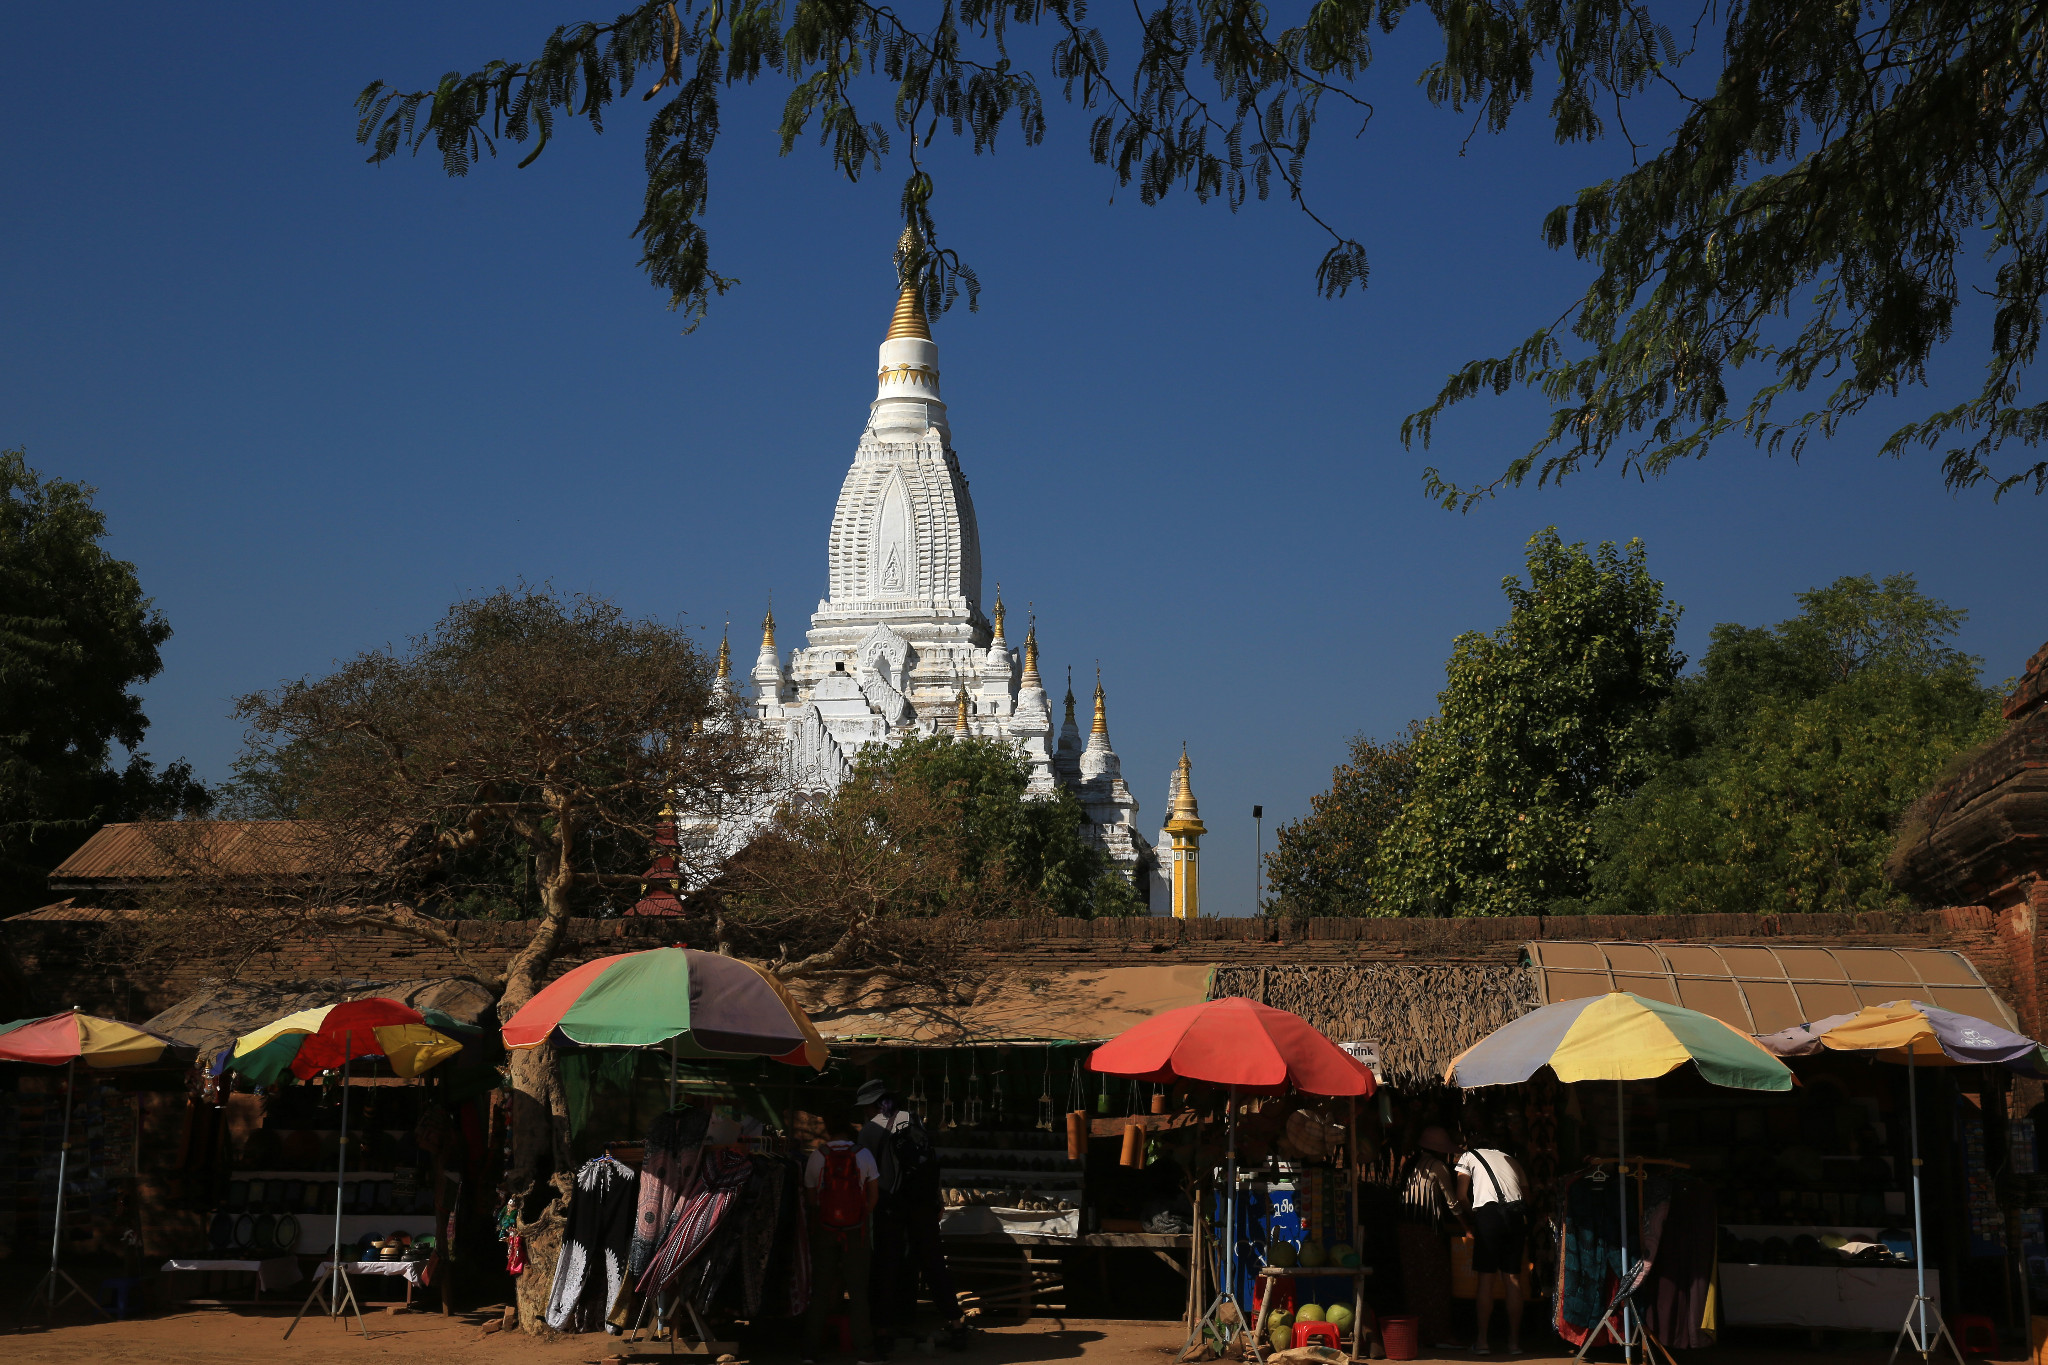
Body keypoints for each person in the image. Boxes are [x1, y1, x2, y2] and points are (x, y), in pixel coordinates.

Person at [857, 1078, 966, 1355]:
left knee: (886, 1267)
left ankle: (882, 1332)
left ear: (872, 1105)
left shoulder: (870, 1131)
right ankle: (955, 1326)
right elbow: (931, 1163)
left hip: (890, 1207)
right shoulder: (914, 1122)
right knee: (932, 1264)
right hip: (923, 1207)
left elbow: (864, 1173)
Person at [804, 1115, 883, 1365]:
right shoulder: (865, 1155)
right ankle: (865, 1353)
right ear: (851, 1133)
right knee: (859, 1291)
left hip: (826, 1229)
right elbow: (873, 1197)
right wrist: (858, 1216)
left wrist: (829, 1216)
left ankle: (810, 1352)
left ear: (830, 1133)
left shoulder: (818, 1155)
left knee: (821, 1290)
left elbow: (811, 1198)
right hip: (856, 1231)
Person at [1454, 1134, 1531, 1356]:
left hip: (1488, 1214)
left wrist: (1474, 1216)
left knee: (1486, 1280)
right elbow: (1528, 1196)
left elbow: (1461, 1195)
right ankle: (1514, 1344)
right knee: (1513, 1278)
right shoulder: (1511, 1159)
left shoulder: (1468, 1156)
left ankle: (1482, 1342)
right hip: (1515, 1216)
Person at [1398, 1125, 1470, 1351]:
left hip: (1405, 1230)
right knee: (1436, 1282)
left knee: (1415, 1283)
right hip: (1425, 1231)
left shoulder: (1409, 1165)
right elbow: (1452, 1202)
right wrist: (1467, 1227)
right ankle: (1440, 1334)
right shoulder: (1437, 1166)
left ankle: (1421, 1334)